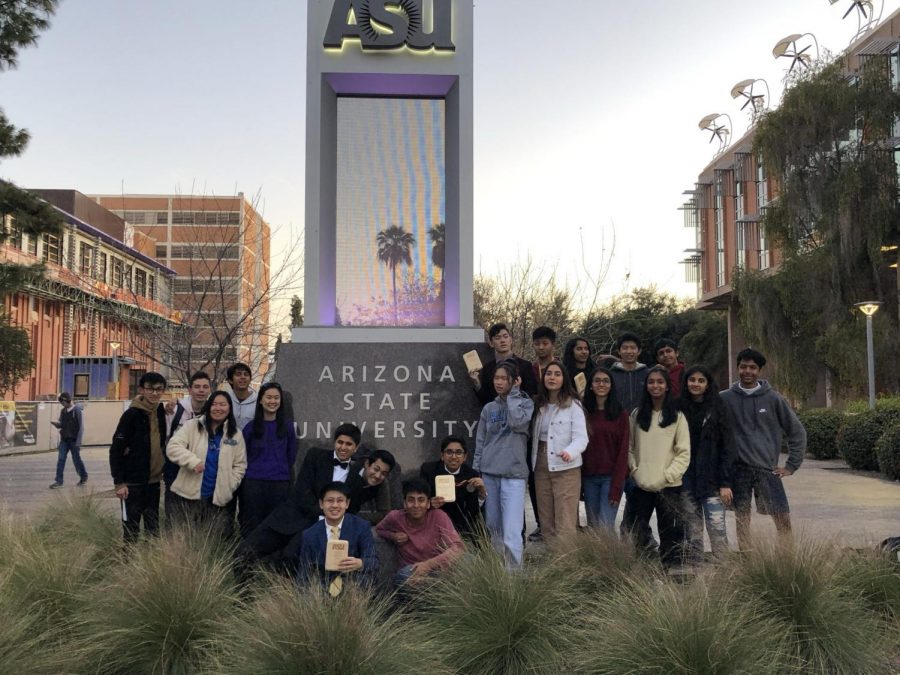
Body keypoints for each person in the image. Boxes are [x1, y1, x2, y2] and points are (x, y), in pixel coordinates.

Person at [238, 423, 363, 568]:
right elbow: (301, 491)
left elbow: (351, 509)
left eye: (349, 444)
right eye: (340, 442)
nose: (343, 447)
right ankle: (245, 590)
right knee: (243, 553)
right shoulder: (316, 455)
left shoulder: (356, 478)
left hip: (317, 530)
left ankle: (275, 586)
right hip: (290, 518)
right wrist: (326, 512)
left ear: (356, 448)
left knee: (288, 560)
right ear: (334, 442)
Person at [720, 348, 806, 550]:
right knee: (742, 520)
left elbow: (797, 432)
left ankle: (786, 558)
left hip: (767, 470)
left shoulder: (774, 399)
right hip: (738, 470)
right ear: (737, 367)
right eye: (743, 367)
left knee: (782, 517)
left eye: (752, 367)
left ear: (759, 371)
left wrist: (791, 465)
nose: (747, 371)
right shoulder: (724, 398)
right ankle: (747, 560)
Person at [623, 367, 691, 568]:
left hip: (669, 485)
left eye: (660, 382)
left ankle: (671, 570)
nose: (655, 386)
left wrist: (668, 475)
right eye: (651, 382)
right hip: (641, 485)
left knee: (671, 531)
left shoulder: (677, 416)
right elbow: (630, 447)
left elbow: (683, 451)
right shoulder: (637, 414)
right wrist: (635, 471)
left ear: (668, 386)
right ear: (646, 385)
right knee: (637, 530)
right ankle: (643, 568)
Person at [473, 361, 534, 567]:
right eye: (496, 378)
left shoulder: (526, 404)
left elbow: (517, 423)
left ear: (514, 381)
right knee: (494, 528)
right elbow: (481, 441)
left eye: (503, 379)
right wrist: (477, 471)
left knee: (512, 530)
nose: (498, 382)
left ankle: (514, 578)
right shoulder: (489, 408)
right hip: (489, 474)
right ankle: (498, 573)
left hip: (514, 476)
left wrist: (515, 395)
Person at [165, 391, 247, 534]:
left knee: (214, 541)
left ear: (229, 408)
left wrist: (229, 485)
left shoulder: (235, 434)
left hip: (218, 500)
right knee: (186, 538)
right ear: (208, 407)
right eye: (214, 404)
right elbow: (172, 447)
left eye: (223, 404)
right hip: (189, 497)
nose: (218, 408)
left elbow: (240, 465)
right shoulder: (192, 426)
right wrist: (192, 461)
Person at [679, 366, 735, 561]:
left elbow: (728, 447)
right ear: (686, 382)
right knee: (692, 530)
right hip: (686, 480)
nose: (696, 383)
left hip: (713, 481)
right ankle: (695, 572)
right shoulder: (678, 408)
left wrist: (725, 483)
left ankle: (724, 571)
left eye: (701, 380)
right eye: (692, 379)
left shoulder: (718, 408)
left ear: (707, 384)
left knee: (718, 529)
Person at [531, 359, 588, 541]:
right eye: (548, 374)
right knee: (546, 519)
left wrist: (570, 451)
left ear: (564, 378)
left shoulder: (574, 406)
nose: (552, 378)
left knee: (565, 521)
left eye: (557, 374)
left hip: (566, 467)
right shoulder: (538, 404)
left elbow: (581, 437)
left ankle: (567, 565)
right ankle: (551, 563)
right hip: (541, 464)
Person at [109, 372, 169, 542]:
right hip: (132, 483)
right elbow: (116, 450)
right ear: (142, 390)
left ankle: (149, 564)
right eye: (150, 389)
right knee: (131, 531)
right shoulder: (131, 415)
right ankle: (128, 564)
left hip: (154, 483)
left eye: (159, 389)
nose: (155, 393)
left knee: (153, 529)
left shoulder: (160, 412)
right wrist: (119, 483)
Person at [376, 478, 465, 586]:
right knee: (404, 576)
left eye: (421, 500)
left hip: (436, 567)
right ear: (404, 503)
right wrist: (393, 536)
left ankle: (436, 586)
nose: (416, 505)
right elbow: (379, 529)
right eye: (411, 500)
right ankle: (440, 586)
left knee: (469, 560)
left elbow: (458, 547)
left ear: (428, 503)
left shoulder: (439, 516)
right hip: (411, 569)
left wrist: (428, 565)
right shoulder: (395, 517)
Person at [239, 382, 298, 537]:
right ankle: (249, 558)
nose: (273, 401)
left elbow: (291, 455)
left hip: (279, 483)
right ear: (261, 400)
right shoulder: (250, 428)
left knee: (275, 525)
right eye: (269, 397)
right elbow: (243, 454)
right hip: (254, 483)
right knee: (252, 524)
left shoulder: (288, 427)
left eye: (276, 398)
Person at [297, 482, 378, 594]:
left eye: (340, 501)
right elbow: (304, 572)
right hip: (322, 589)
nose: (335, 505)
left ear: (347, 503)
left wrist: (360, 563)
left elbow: (374, 562)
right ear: (321, 504)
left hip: (355, 585)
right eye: (330, 501)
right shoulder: (309, 534)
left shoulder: (361, 527)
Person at [581, 367, 630, 530]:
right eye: (597, 380)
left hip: (611, 478)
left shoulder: (621, 415)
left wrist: (617, 486)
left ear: (611, 385)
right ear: (590, 385)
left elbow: (623, 452)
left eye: (606, 381)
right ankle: (597, 557)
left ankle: (611, 556)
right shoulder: (583, 412)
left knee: (605, 527)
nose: (601, 384)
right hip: (589, 478)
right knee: (594, 527)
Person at [163, 371, 211, 517]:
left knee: (199, 513)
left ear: (210, 389)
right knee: (174, 512)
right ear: (190, 389)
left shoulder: (214, 411)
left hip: (201, 467)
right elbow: (165, 436)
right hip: (175, 467)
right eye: (197, 386)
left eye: (205, 387)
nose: (201, 390)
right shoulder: (175, 409)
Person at [420, 436, 485, 538]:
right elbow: (419, 494)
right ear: (442, 455)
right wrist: (429, 503)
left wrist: (481, 494)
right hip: (433, 519)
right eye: (449, 452)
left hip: (460, 525)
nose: (454, 457)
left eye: (459, 452)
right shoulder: (429, 470)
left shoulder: (471, 474)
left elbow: (473, 512)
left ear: (465, 457)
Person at [469, 322, 539, 406]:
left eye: (505, 337)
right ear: (491, 343)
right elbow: (486, 400)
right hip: (495, 416)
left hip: (518, 415)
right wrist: (477, 383)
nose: (502, 340)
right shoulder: (488, 368)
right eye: (497, 338)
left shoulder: (525, 366)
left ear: (510, 340)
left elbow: (531, 394)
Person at [348, 449, 399, 525]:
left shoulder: (382, 482)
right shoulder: (347, 472)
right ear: (367, 464)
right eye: (376, 469)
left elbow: (384, 514)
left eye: (384, 473)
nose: (378, 476)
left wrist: (354, 517)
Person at [49, 392, 87, 489]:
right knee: (61, 459)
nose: (62, 404)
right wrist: (57, 424)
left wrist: (78, 442)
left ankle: (83, 476)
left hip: (74, 440)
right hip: (64, 439)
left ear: (66, 401)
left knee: (76, 460)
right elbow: (62, 423)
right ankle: (59, 481)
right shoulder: (63, 411)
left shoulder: (77, 410)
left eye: (62, 402)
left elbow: (81, 427)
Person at [610, 332, 650, 413]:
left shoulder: (647, 374)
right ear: (619, 351)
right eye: (625, 348)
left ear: (639, 351)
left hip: (643, 420)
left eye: (633, 348)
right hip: (617, 420)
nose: (629, 351)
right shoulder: (610, 375)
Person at [221, 362, 257, 431]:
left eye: (246, 374)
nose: (243, 377)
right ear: (230, 380)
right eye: (238, 374)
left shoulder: (259, 401)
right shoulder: (224, 399)